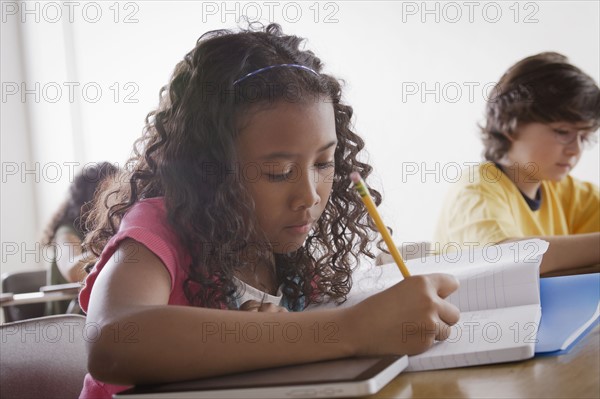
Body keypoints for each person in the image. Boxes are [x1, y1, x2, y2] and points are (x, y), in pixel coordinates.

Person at [80, 23, 460, 398]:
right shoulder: (157, 230)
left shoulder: (288, 262)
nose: (309, 195)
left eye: (325, 163)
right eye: (278, 172)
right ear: (209, 170)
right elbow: (113, 338)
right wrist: (348, 329)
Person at [434, 52, 600, 274]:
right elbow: (503, 260)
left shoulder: (571, 193)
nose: (576, 149)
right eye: (562, 132)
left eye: (584, 137)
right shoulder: (478, 189)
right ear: (509, 124)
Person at [41, 161, 118, 314]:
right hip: (67, 321)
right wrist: (115, 245)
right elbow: (72, 269)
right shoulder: (66, 231)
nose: (117, 200)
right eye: (110, 194)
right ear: (89, 199)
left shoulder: (113, 228)